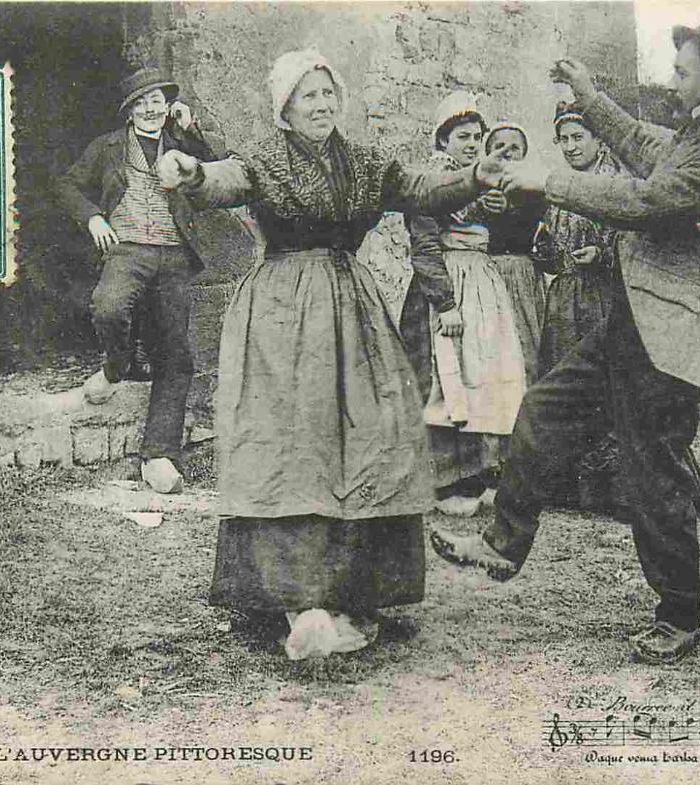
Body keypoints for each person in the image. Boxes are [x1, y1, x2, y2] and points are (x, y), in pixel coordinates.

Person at [431, 19, 700, 665]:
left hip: (668, 337)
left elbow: (646, 199)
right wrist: (585, 93)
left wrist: (543, 179)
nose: (674, 79)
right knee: (544, 409)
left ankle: (679, 613)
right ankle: (504, 541)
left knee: (652, 477)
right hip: (632, 322)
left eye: (683, 71)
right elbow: (641, 143)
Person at [156, 50, 496, 654]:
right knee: (295, 445)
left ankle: (353, 592)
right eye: (307, 97)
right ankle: (296, 599)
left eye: (327, 94)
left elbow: (420, 187)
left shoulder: (364, 162)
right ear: (285, 109)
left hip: (353, 306)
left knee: (367, 439)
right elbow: (227, 178)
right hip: (283, 311)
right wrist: (192, 172)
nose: (321, 105)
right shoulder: (265, 158)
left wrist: (473, 178)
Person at [56, 67, 221, 494]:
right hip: (127, 247)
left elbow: (221, 173)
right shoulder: (107, 148)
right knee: (109, 307)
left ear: (168, 108)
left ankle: (159, 455)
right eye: (142, 102)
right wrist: (92, 216)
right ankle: (115, 367)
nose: (151, 109)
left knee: (175, 352)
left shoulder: (183, 143)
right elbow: (68, 186)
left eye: (158, 102)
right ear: (129, 111)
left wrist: (192, 130)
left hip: (175, 254)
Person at [403, 92, 528, 518]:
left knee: (484, 376)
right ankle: (443, 480)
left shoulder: (485, 183)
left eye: (477, 136)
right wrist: (445, 303)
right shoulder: (432, 184)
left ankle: (479, 473)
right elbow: (423, 244)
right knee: (443, 381)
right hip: (446, 287)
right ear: (442, 141)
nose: (472, 144)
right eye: (462, 136)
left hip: (483, 285)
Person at [530, 101, 626, 509]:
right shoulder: (560, 186)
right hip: (565, 299)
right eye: (563, 139)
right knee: (563, 384)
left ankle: (611, 487)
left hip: (604, 297)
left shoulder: (615, 185)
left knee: (606, 384)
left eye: (578, 137)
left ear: (599, 139)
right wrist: (546, 251)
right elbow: (552, 248)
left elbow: (637, 245)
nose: (570, 146)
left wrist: (603, 256)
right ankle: (565, 484)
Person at [481, 123, 549, 384]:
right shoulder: (478, 187)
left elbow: (534, 222)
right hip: (488, 273)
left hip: (521, 274)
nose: (507, 153)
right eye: (499, 147)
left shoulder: (531, 191)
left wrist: (510, 207)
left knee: (524, 344)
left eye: (514, 148)